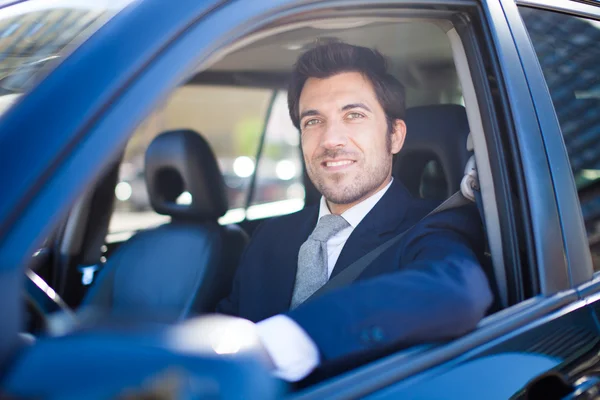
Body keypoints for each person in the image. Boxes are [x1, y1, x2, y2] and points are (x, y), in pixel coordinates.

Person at [217, 41, 493, 381]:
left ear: (394, 136)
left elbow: (458, 292)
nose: (331, 139)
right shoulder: (271, 235)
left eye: (354, 115)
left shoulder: (433, 225)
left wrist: (295, 337)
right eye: (313, 121)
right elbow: (228, 329)